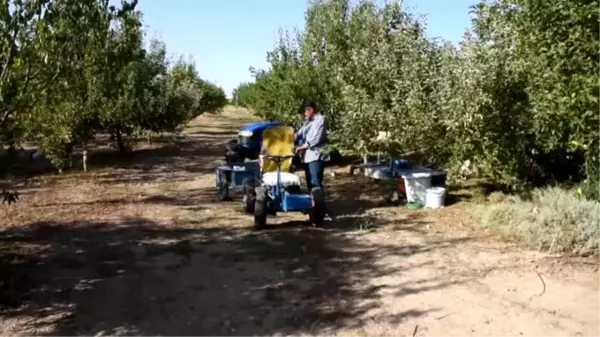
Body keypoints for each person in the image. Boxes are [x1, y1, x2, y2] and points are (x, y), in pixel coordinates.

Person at [295, 100, 328, 192]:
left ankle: (319, 205)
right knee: (309, 183)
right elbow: (298, 134)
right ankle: (313, 204)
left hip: (316, 155)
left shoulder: (321, 119)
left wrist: (303, 147)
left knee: (315, 182)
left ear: (311, 110)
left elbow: (317, 138)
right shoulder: (308, 122)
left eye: (305, 112)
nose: (304, 115)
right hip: (307, 157)